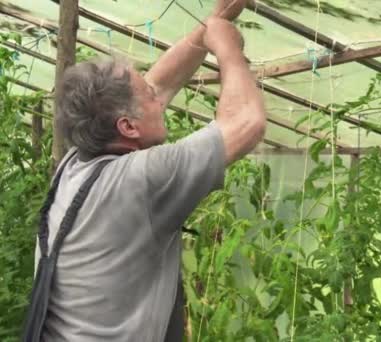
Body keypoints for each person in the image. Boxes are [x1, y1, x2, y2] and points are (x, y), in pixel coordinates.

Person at [33, 0, 265, 340]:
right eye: (150, 99)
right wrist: (228, 48)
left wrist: (213, 23)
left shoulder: (77, 160)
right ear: (127, 127)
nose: (159, 99)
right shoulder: (143, 179)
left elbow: (158, 84)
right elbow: (247, 121)